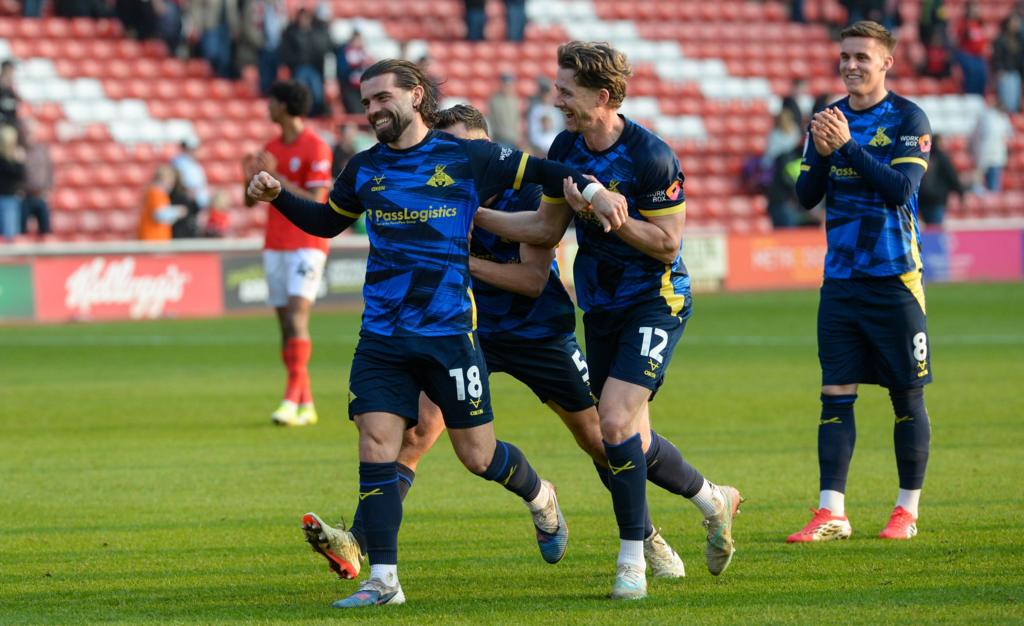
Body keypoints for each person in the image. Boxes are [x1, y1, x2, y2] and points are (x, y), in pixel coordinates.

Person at [245, 58, 630, 609]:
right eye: (366, 100)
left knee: (477, 455)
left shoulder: (468, 157)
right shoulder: (362, 167)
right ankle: (383, 582)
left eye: (383, 98)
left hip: (450, 336)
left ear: (415, 95)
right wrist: (278, 194)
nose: (373, 108)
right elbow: (328, 221)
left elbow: (548, 173)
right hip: (382, 336)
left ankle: (540, 494)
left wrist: (593, 195)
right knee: (378, 445)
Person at [299, 102, 687, 592]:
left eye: (468, 149)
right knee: (416, 435)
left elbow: (530, 279)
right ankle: (359, 540)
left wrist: (459, 262)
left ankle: (648, 538)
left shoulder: (528, 187)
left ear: (486, 147)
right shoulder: (434, 187)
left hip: (537, 332)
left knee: (600, 436)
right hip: (465, 330)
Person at [473, 41, 743, 600]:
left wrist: (611, 219)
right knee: (627, 441)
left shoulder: (652, 158)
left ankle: (632, 564)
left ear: (604, 96)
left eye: (566, 91)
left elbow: (667, 247)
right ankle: (712, 499)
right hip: (598, 309)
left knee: (614, 424)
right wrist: (468, 215)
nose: (557, 99)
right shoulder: (563, 147)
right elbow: (545, 232)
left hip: (655, 301)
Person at [791, 21, 934, 543]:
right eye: (846, 56)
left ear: (886, 63)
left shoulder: (907, 118)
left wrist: (847, 149)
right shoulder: (826, 120)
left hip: (894, 278)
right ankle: (833, 511)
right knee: (834, 393)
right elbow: (806, 196)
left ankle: (906, 510)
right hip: (841, 281)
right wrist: (823, 153)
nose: (851, 65)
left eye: (862, 57)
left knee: (907, 396)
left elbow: (901, 190)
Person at [241, 80, 333, 427]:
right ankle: (306, 403)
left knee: (297, 318)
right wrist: (248, 177)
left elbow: (316, 201)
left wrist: (276, 175)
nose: (267, 107)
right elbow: (252, 200)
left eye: (272, 102)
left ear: (283, 106)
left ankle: (289, 399)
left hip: (307, 243)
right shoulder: (270, 147)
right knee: (285, 327)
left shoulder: (317, 147)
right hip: (275, 243)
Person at [917, 134, 963, 227]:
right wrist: (961, 193)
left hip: (921, 200)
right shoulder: (942, 157)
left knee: (924, 232)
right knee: (935, 231)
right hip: (937, 201)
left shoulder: (922, 157)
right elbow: (951, 177)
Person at [970, 98, 1013, 192]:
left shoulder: (1000, 118)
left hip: (990, 157)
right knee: (989, 188)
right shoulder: (992, 118)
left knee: (990, 187)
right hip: (989, 156)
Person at [20, 118, 52, 238]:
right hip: (24, 196)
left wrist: (48, 188)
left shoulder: (42, 149)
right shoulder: (20, 150)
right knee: (21, 230)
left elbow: (49, 170)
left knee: (45, 229)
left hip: (40, 195)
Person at [138, 165, 185, 241]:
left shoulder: (156, 193)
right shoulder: (156, 193)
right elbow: (159, 215)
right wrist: (177, 211)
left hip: (157, 237)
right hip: (154, 238)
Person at [991, 14, 1024, 113]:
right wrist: (999, 70)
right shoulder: (1001, 40)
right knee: (1005, 100)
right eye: (1014, 22)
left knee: (1014, 100)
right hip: (1005, 73)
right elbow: (997, 57)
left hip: (1016, 72)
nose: (1016, 24)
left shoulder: (1020, 40)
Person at [335, 30, 372, 114]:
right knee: (355, 111)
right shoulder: (344, 52)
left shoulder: (364, 52)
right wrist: (358, 65)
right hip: (350, 88)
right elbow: (343, 71)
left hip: (363, 87)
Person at [0, 123, 24, 241]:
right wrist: (19, 162)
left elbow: (19, 176)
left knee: (10, 235)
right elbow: (14, 173)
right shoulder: (6, 160)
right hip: (7, 197)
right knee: (8, 233)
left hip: (9, 197)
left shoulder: (12, 158)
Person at [487, 72, 522, 147]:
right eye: (505, 84)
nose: (507, 87)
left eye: (509, 85)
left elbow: (517, 119)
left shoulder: (515, 100)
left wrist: (518, 136)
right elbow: (491, 119)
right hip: (499, 139)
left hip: (513, 139)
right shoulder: (495, 100)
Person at [0, 60, 20, 129]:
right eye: (9, 70)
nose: (11, 73)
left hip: (12, 120)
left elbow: (19, 101)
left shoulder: (12, 86)